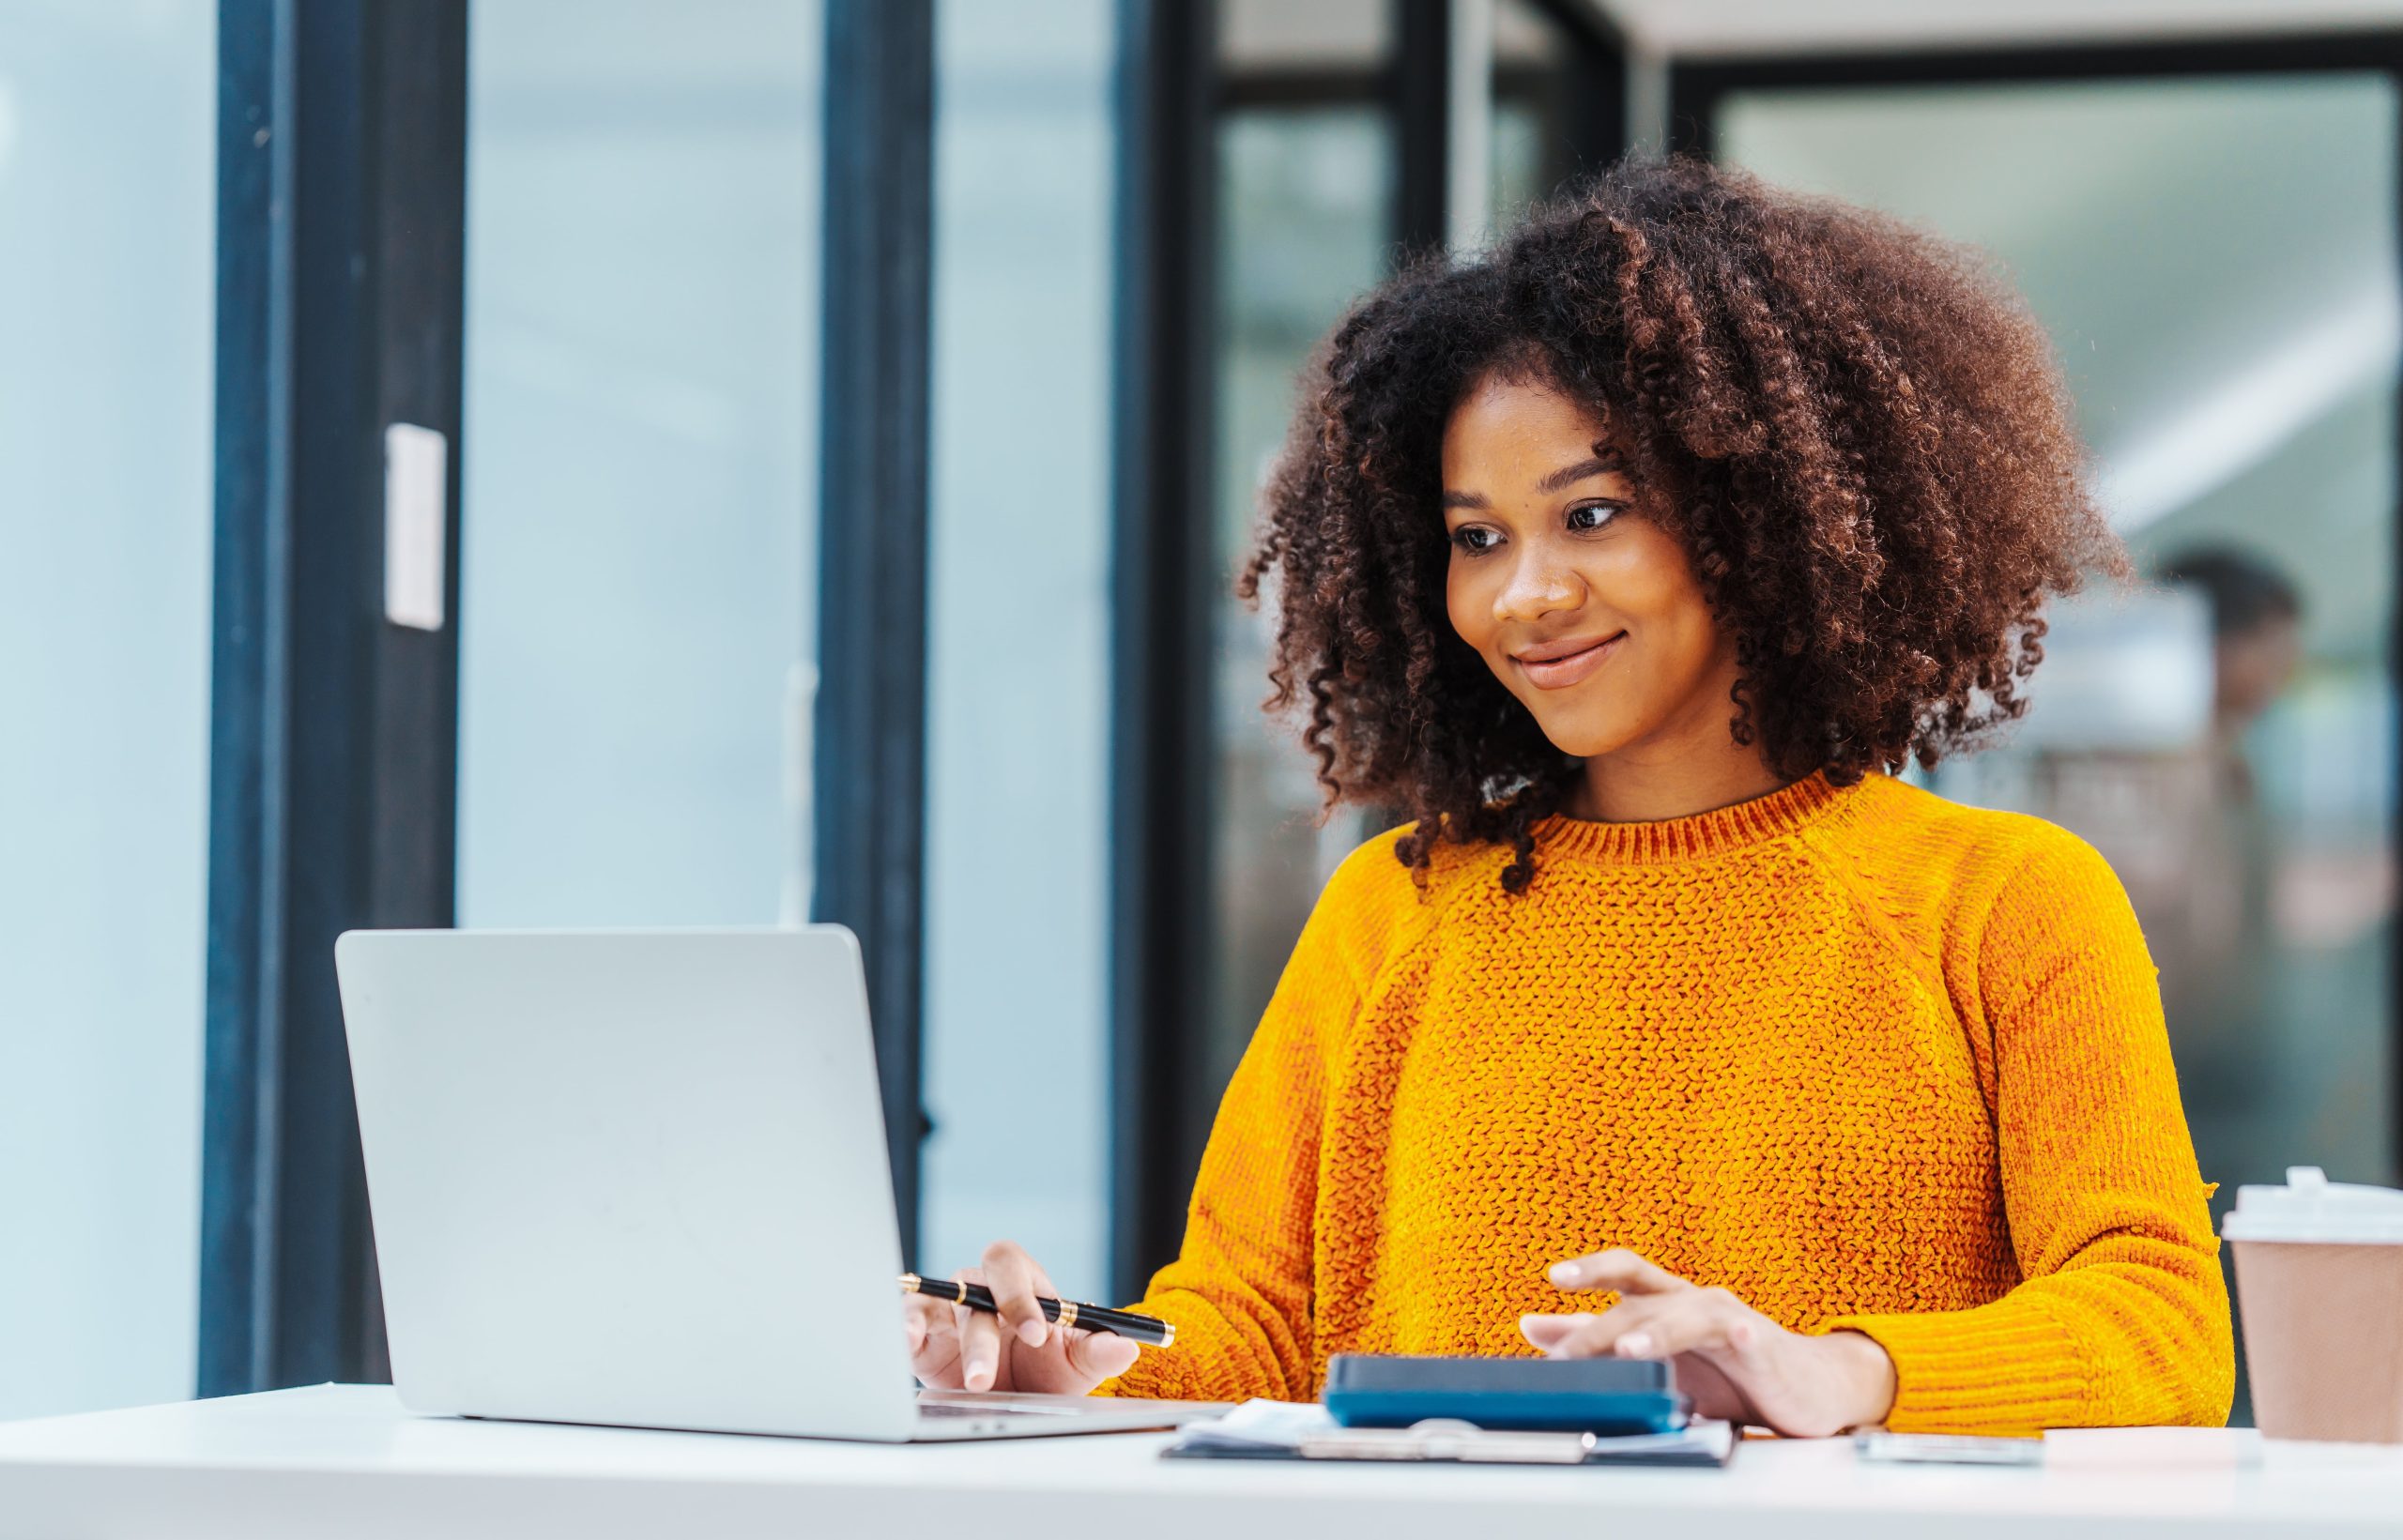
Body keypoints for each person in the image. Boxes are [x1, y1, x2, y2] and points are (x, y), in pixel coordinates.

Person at [905, 158, 2234, 1436]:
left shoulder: (2004, 905)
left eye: (1591, 515)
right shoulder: (1392, 912)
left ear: (1757, 516)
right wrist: (1066, 1371)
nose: (1523, 593)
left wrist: (1833, 1370)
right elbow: (1248, 1326)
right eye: (1476, 537)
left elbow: (2160, 1326)